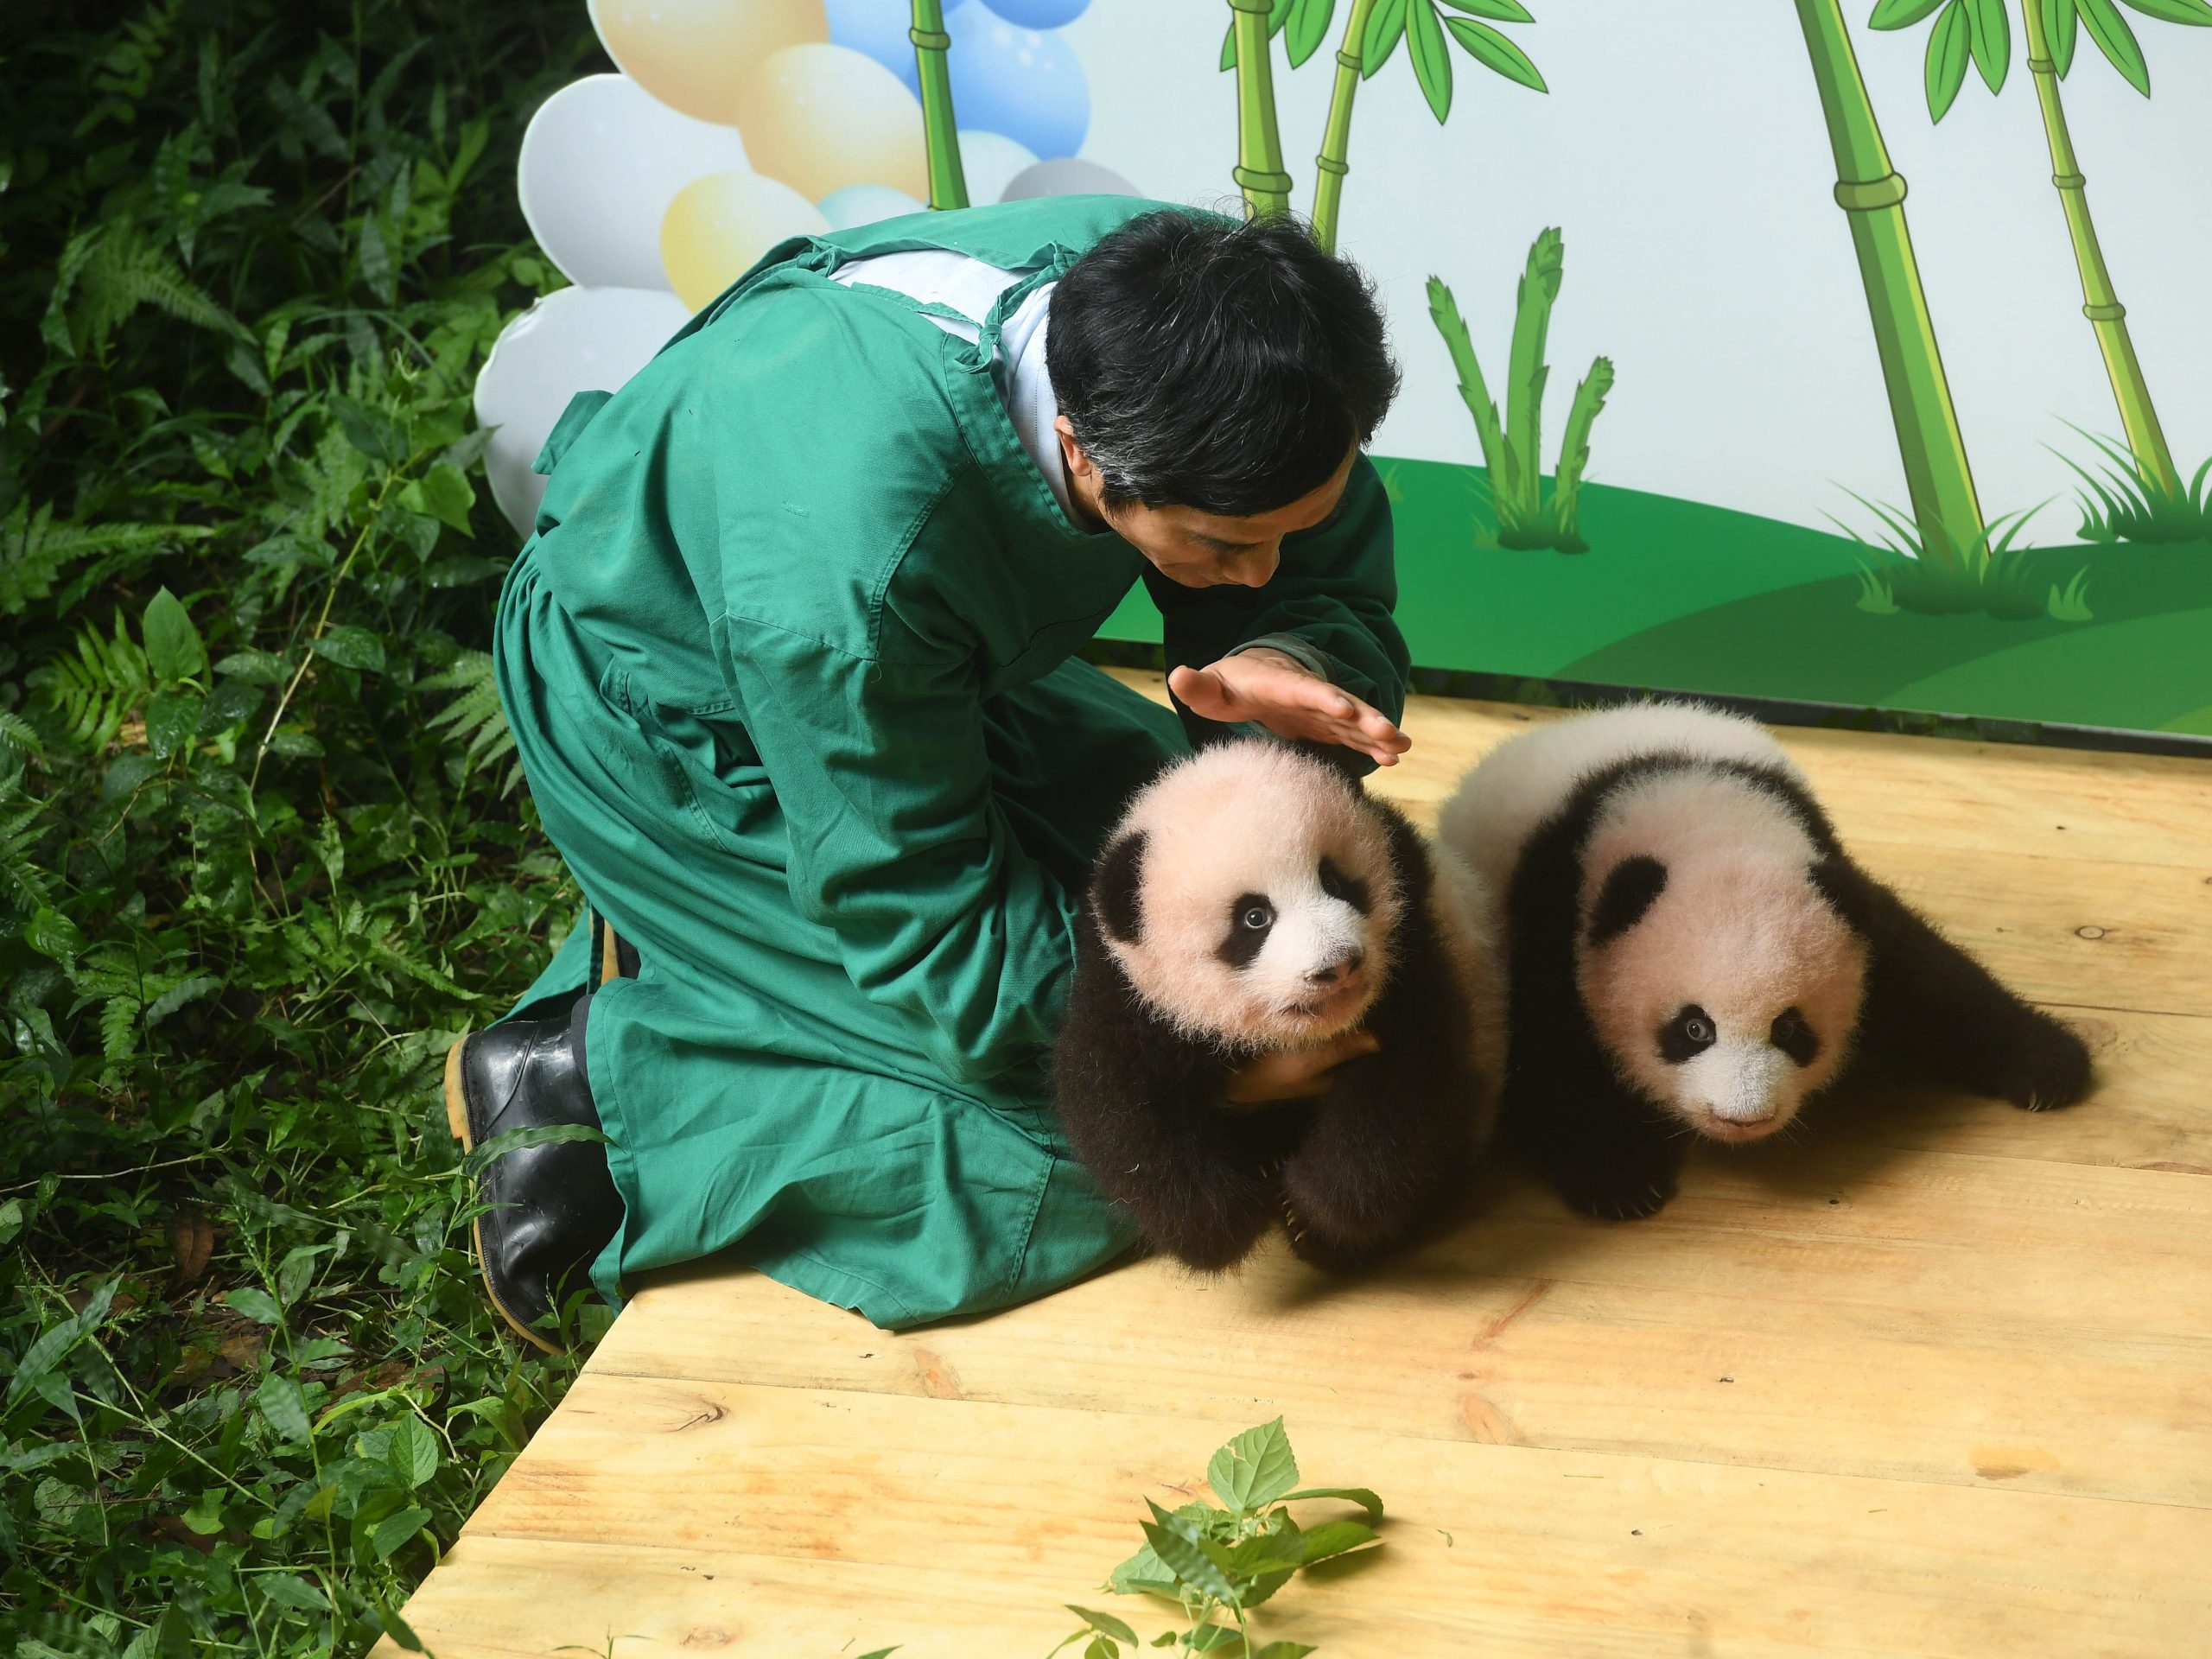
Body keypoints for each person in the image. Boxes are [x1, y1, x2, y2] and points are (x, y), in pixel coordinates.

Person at [447, 195, 1414, 1351]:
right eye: (1221, 549)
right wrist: (1179, 1065)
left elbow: (1314, 555)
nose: (1261, 567)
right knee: (1105, 1153)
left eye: (1282, 529)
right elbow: (931, 919)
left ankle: (714, 944)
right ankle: (596, 1089)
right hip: (668, 717)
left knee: (1217, 904)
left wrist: (1283, 646)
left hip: (908, 683)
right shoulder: (856, 570)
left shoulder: (1206, 323)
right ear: (1083, 453)